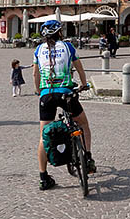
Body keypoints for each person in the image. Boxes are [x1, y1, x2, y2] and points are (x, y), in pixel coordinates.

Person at [33, 20, 93, 191]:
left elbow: (35, 74)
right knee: (83, 125)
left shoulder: (38, 50)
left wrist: (39, 91)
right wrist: (84, 84)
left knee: (43, 136)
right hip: (66, 93)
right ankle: (87, 158)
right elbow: (80, 69)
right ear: (60, 32)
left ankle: (43, 177)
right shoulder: (68, 47)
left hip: (47, 95)